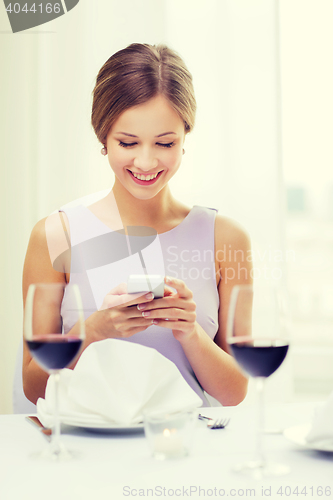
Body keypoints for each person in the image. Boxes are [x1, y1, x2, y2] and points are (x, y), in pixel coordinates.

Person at [22, 43, 252, 407]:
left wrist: (189, 332)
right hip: (86, 454)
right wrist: (93, 330)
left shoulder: (226, 238)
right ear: (103, 137)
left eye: (165, 143)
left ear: (185, 137)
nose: (145, 162)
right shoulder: (55, 235)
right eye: (127, 142)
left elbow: (235, 392)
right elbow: (33, 388)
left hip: (185, 450)